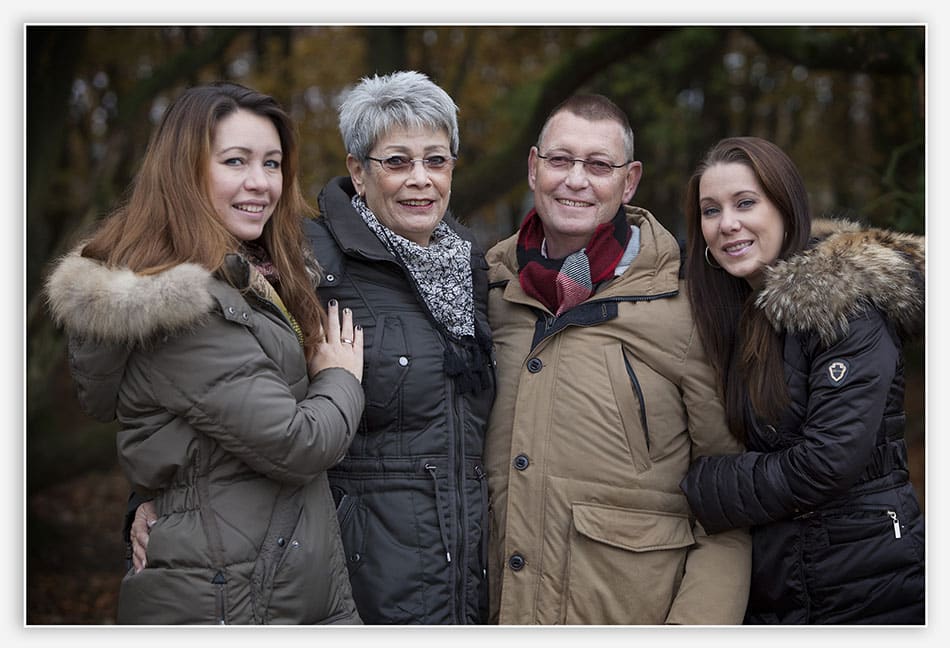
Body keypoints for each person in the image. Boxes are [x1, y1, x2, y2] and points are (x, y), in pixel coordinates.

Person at [44, 82, 365, 625]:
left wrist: (151, 504)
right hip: (227, 602)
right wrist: (341, 377)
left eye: (272, 163)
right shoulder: (182, 308)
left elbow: (199, 450)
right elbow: (296, 442)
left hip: (267, 582)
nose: (259, 183)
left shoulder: (254, 279)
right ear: (184, 171)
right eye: (235, 161)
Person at [484, 94, 751, 625]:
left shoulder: (686, 307)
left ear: (629, 181)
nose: (576, 181)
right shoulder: (486, 290)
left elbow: (729, 506)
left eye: (599, 165)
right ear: (534, 168)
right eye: (560, 161)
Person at [678, 136, 925, 624]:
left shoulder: (846, 305)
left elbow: (827, 461)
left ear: (786, 206)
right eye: (711, 211)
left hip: (869, 584)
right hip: (783, 582)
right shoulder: (735, 311)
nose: (727, 224)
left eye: (745, 203)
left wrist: (700, 484)